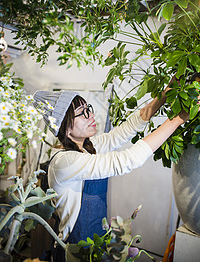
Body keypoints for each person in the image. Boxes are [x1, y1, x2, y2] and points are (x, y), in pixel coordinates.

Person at [33, 86, 190, 261]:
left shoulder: (87, 147)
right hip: (75, 253)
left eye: (88, 109)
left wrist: (165, 94)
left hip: (95, 246)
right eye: (82, 113)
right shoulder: (65, 161)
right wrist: (177, 119)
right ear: (65, 128)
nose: (90, 115)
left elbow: (125, 130)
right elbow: (128, 160)